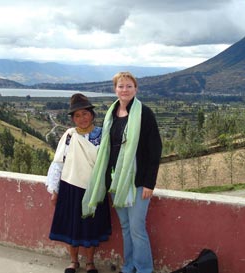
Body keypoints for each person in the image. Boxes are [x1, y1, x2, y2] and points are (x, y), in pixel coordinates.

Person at [82, 72, 162, 273]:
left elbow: (155, 150)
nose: (124, 90)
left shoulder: (145, 113)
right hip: (116, 181)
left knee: (137, 229)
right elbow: (108, 150)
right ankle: (129, 266)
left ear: (136, 89)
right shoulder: (111, 114)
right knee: (126, 228)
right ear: (115, 89)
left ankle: (144, 269)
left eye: (129, 86)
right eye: (121, 86)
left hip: (137, 181)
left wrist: (149, 184)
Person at [46, 93, 111, 273]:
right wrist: (54, 189)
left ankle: (90, 262)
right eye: (77, 115)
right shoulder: (69, 136)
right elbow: (58, 163)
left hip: (95, 188)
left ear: (92, 114)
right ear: (73, 118)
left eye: (85, 114)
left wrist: (109, 190)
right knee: (72, 225)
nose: (82, 118)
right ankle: (73, 261)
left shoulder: (102, 135)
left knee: (92, 226)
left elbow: (108, 164)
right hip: (70, 187)